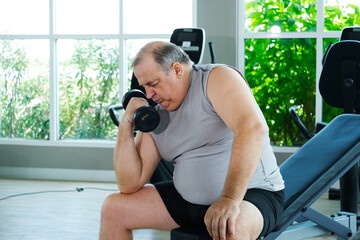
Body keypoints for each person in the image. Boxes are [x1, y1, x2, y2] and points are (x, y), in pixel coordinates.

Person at [100, 41, 285, 240]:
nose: (149, 95)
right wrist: (127, 123)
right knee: (114, 209)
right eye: (143, 87)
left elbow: (252, 129)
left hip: (250, 195)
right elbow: (130, 183)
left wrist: (229, 199)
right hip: (187, 201)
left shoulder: (215, 79)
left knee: (231, 229)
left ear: (177, 70)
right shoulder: (156, 113)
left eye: (153, 84)